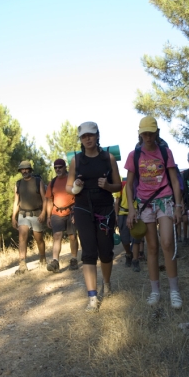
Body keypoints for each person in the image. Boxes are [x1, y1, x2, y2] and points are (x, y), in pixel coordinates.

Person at [125, 116, 183, 309]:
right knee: (152, 248)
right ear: (139, 134)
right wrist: (132, 209)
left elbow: (174, 181)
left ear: (157, 133)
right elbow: (128, 186)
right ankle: (155, 291)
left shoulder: (166, 152)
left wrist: (178, 206)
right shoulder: (134, 155)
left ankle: (174, 291)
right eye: (144, 134)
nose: (148, 137)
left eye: (151, 133)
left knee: (167, 242)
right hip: (144, 204)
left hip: (165, 199)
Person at [66, 121, 121, 313]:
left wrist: (107, 186)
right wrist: (76, 187)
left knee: (105, 252)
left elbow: (119, 185)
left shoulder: (108, 158)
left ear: (97, 136)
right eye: (84, 136)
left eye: (91, 135)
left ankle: (106, 283)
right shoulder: (76, 160)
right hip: (82, 208)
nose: (88, 139)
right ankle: (92, 297)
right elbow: (68, 187)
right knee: (88, 252)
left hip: (105, 208)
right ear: (81, 139)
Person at [12, 160, 47, 274]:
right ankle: (22, 264)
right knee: (22, 237)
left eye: (27, 169)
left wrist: (43, 213)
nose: (25, 171)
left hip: (37, 214)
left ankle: (42, 258)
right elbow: (16, 201)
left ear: (30, 170)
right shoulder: (18, 184)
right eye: (22, 169)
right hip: (23, 214)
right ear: (20, 171)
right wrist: (13, 217)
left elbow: (44, 199)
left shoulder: (38, 181)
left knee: (39, 239)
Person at [46, 158, 78, 273]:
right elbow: (49, 200)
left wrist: (77, 212)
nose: (57, 169)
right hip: (56, 213)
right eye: (55, 168)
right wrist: (48, 217)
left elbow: (79, 195)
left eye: (60, 167)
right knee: (57, 236)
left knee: (72, 236)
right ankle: (55, 261)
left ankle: (74, 259)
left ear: (65, 167)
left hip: (72, 212)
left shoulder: (72, 179)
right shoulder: (52, 183)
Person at [114, 180, 141, 272]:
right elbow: (117, 202)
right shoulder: (122, 185)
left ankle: (135, 260)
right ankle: (128, 254)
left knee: (136, 238)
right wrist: (116, 215)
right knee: (124, 239)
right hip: (123, 214)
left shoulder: (139, 184)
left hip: (136, 214)